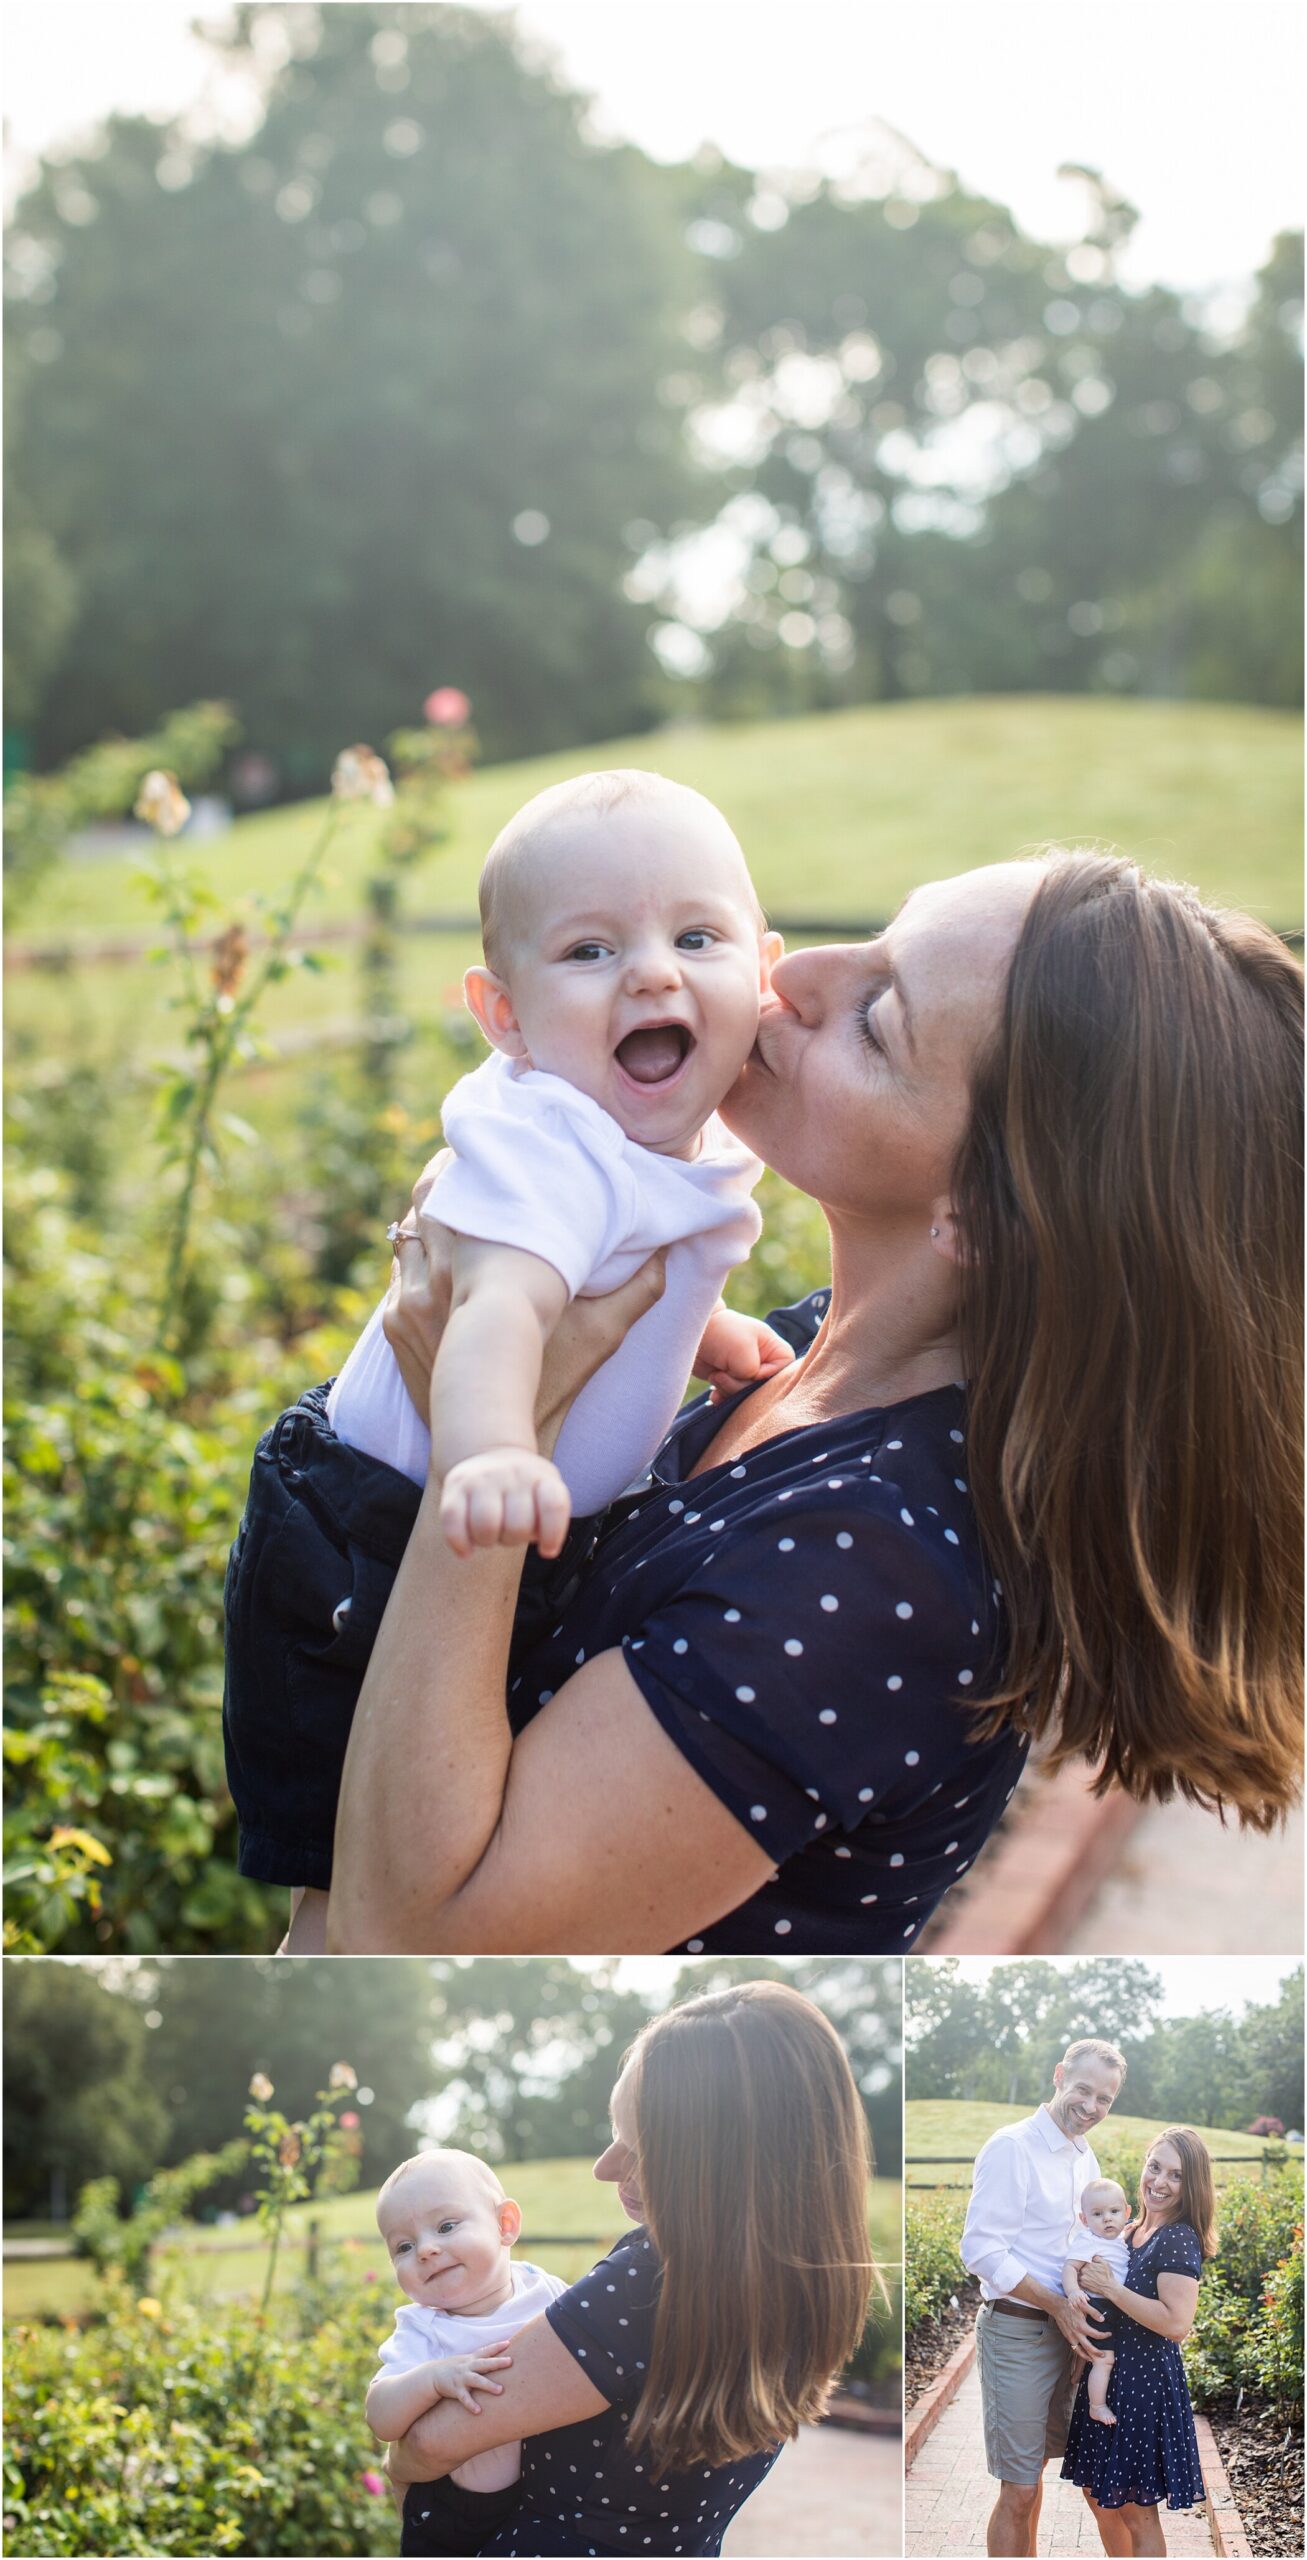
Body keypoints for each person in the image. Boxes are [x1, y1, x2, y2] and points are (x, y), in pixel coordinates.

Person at [321, 850, 1302, 1956]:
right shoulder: (789, 1351)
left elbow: (402, 1939)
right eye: (872, 940)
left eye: (876, 1019)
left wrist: (485, 1449)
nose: (789, 978)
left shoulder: (873, 1567)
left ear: (982, 1212)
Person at [223, 769, 793, 1946]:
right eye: (588, 951)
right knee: (352, 1868)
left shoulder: (682, 1135)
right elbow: (493, 1307)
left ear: (764, 968)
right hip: (371, 1531)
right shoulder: (552, 1141)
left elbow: (633, 1271)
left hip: (498, 1522)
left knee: (437, 1808)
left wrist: (704, 1333)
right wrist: (484, 1449)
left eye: (696, 936)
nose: (649, 971)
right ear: (505, 1016)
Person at [379, 1979, 877, 2557]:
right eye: (614, 2133)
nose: (605, 2167)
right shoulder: (803, 2279)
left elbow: (436, 2444)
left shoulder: (647, 2284)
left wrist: (398, 2464)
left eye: (639, 2146)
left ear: (721, 2161)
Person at [960, 2038, 1124, 2557]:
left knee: (1059, 2477)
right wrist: (1056, 2307)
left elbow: (1090, 2242)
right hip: (1018, 2331)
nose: (1091, 2107)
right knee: (1020, 2486)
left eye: (1105, 2099)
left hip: (1067, 2334)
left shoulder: (1084, 2155)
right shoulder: (1013, 2146)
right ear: (1058, 2076)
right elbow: (981, 2250)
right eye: (1083, 2090)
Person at [365, 2148, 568, 2558]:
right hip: (461, 2514)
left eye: (446, 2225)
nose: (425, 2250)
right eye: (403, 2247)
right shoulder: (426, 2329)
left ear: (504, 2225)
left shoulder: (543, 2290)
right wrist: (435, 2377)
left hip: (555, 2491)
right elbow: (380, 2417)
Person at [1061, 2130, 1216, 2558]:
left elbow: (1177, 2323)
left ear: (1193, 2185)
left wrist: (1111, 2289)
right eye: (1155, 2167)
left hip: (1143, 2385)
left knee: (1136, 2510)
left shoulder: (1179, 2238)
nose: (1160, 2182)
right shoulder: (1129, 2232)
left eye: (1176, 2175)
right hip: (1108, 2377)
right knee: (1099, 2495)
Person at [1062, 2179, 1133, 2426]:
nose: (1107, 2219)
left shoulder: (1122, 2238)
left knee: (1104, 2358)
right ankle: (1097, 2406)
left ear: (1127, 2212)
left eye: (1114, 2212)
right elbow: (1070, 2267)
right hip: (1099, 2307)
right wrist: (1072, 2292)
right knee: (1104, 2359)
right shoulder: (1089, 2240)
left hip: (1118, 2305)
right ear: (1084, 2220)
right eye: (1097, 2214)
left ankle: (1078, 2372)